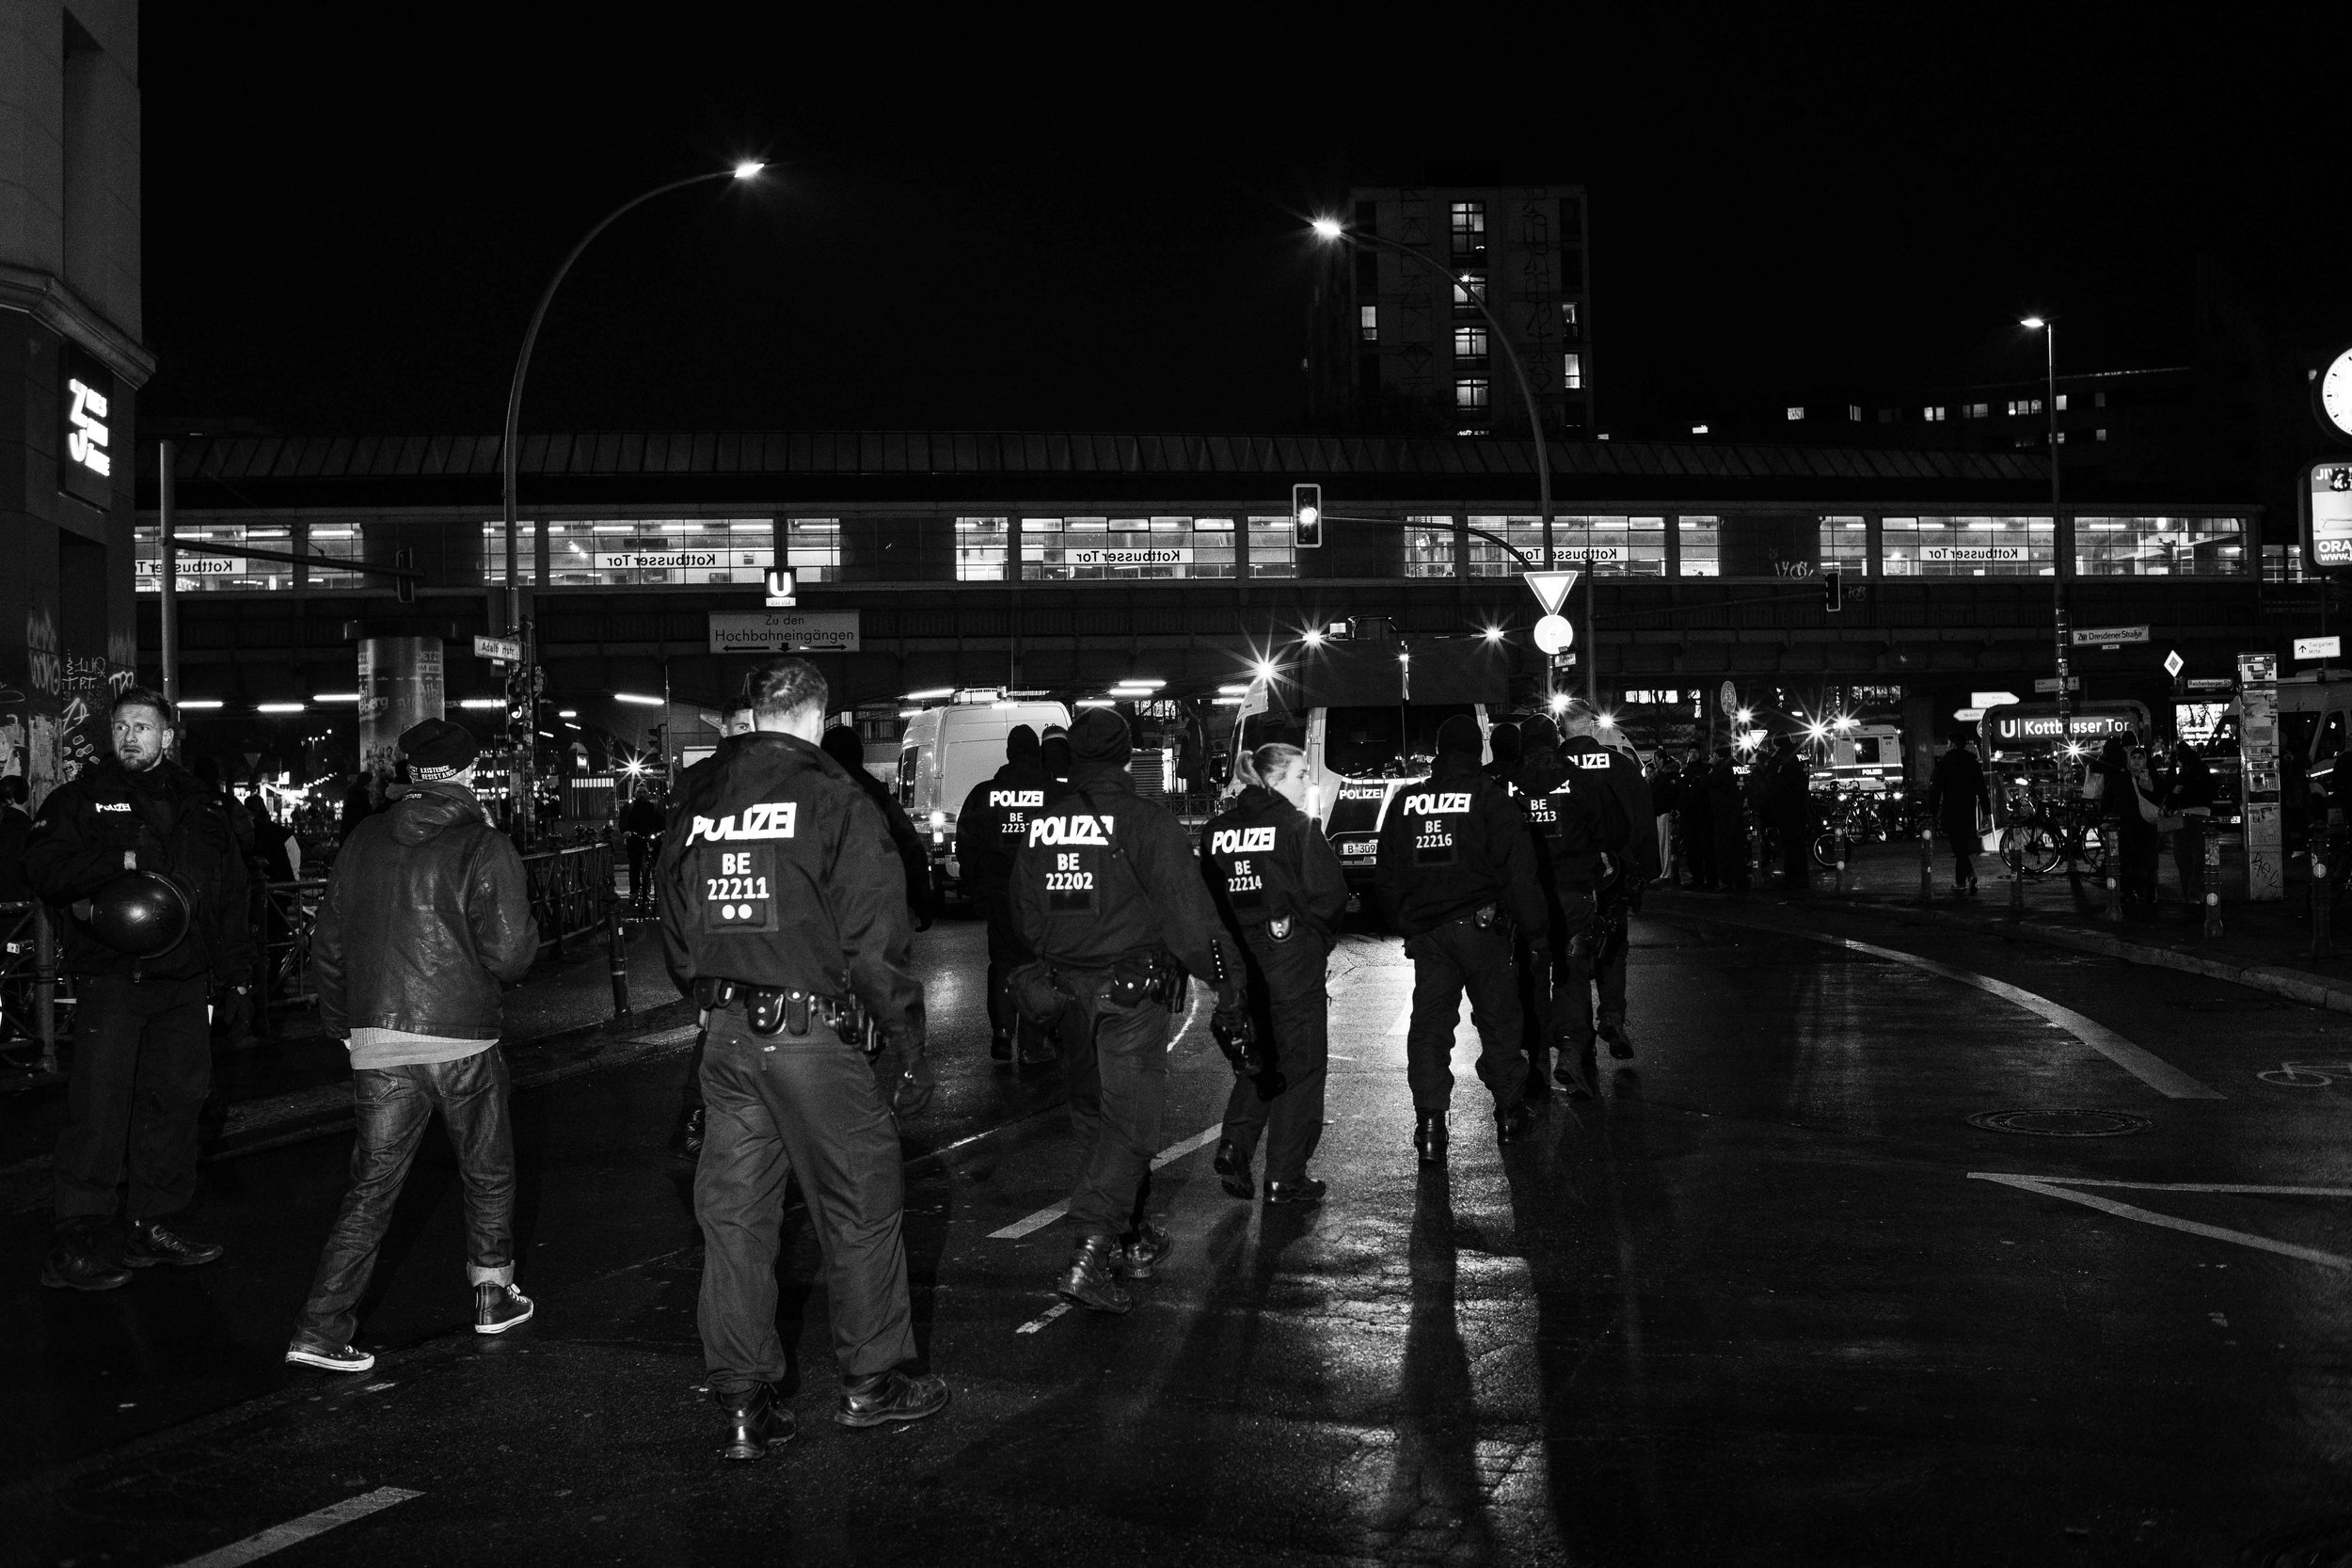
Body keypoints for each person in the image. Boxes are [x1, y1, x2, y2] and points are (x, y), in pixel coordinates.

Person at [657, 657, 946, 1459]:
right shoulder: (833, 797)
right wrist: (907, 1042)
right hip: (811, 1036)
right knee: (860, 1201)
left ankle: (746, 1402)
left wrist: (716, 991)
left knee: (737, 1219)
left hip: (726, 1034)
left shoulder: (700, 796)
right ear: (819, 717)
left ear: (753, 714)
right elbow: (874, 938)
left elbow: (674, 925)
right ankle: (872, 1381)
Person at [287, 719, 541, 1373]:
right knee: (485, 1168)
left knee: (371, 1185)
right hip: (461, 1036)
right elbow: (511, 955)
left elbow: (329, 944)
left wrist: (344, 1024)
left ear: (410, 773)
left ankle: (319, 1327)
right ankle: (491, 1293)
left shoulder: (364, 838)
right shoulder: (483, 843)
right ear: (465, 772)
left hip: (376, 1037)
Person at [1009, 706, 1244, 1314]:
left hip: (1065, 995)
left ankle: (1133, 1237)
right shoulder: (1146, 822)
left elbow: (1023, 912)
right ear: (1124, 754)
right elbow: (1190, 918)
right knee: (1131, 1124)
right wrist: (1229, 983)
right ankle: (1089, 1253)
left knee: (1095, 1118)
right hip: (1130, 995)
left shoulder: (1043, 825)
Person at [24, 688, 255, 1291]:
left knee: (176, 1105)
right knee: (98, 1110)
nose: (130, 737)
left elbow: (232, 896)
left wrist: (235, 978)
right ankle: (73, 1241)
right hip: (113, 980)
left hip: (184, 983)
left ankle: (153, 1226)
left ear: (167, 736)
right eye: (122, 726)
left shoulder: (203, 807)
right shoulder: (80, 800)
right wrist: (121, 862)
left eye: (143, 727)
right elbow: (44, 869)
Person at [1375, 713, 1546, 1165]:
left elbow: (1386, 872)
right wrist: (1536, 933)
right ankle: (1509, 1114)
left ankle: (1430, 1125)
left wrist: (1406, 924)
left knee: (1430, 1028)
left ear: (1438, 752)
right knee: (1498, 1021)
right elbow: (1519, 872)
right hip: (1482, 928)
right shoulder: (1490, 799)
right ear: (1478, 752)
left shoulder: (1407, 801)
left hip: (1430, 935)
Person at [1200, 741, 1348, 1205]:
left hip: (1238, 967)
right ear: (1276, 779)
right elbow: (1329, 895)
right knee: (1300, 1065)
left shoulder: (1216, 831)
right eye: (1302, 774)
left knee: (1258, 1056)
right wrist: (1314, 941)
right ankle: (1285, 1175)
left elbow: (1202, 900)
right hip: (1289, 963)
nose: (1309, 782)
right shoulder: (1293, 826)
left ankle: (1235, 1144)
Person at [1510, 715, 1616, 1099]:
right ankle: (1571, 1047)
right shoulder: (1581, 779)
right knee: (1572, 973)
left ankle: (1534, 1056)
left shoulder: (1506, 783)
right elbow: (1605, 829)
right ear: (1556, 741)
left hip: (1527, 896)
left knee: (1533, 975)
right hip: (1572, 891)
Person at [668, 702, 755, 1161]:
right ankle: (700, 1114)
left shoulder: (771, 773)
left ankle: (710, 1118)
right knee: (721, 1021)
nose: (746, 733)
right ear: (723, 728)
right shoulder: (699, 780)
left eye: (753, 726)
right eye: (740, 725)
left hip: (747, 909)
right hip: (717, 917)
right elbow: (674, 870)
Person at [954, 725, 1055, 1065]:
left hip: (999, 896)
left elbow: (966, 844)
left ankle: (1001, 1034)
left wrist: (975, 888)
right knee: (1038, 967)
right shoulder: (1054, 794)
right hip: (1044, 900)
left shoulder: (983, 795)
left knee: (1002, 965)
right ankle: (1032, 1044)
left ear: (1009, 753)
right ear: (1037, 753)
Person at [1558, 704, 1651, 1065]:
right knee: (1613, 945)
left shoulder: (1552, 770)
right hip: (1615, 875)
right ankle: (1611, 1015)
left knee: (1571, 954)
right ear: (1594, 727)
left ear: (1560, 727)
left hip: (1568, 877)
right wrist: (1644, 872)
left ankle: (1575, 1036)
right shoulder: (1621, 766)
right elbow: (1642, 819)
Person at [821, 725, 936, 931]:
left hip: (821, 913)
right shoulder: (876, 796)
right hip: (871, 907)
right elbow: (909, 846)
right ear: (859, 755)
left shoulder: (808, 792)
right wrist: (922, 902)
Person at [2162, 737, 2217, 921]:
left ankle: (2189, 892)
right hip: (2203, 816)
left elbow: (2171, 795)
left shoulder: (2183, 776)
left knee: (2183, 856)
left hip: (2184, 817)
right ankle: (2196, 891)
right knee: (2200, 856)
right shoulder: (2204, 773)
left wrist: (2176, 791)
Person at [1929, 733, 1990, 895]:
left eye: (1949, 743)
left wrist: (1932, 811)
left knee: (1958, 847)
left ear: (1954, 744)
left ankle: (1966, 879)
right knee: (1962, 845)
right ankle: (1965, 879)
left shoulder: (1945, 763)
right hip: (1968, 809)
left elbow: (1935, 789)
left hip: (1952, 809)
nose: (1948, 746)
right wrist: (1987, 812)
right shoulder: (1972, 763)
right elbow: (1982, 789)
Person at [1765, 737, 1814, 892]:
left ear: (1778, 745)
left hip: (1788, 806)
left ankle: (1793, 879)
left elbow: (1773, 779)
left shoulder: (1783, 757)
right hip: (1801, 804)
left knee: (1790, 845)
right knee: (1798, 844)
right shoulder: (1801, 754)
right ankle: (1801, 878)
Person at [1707, 743, 1750, 893]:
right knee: (1738, 850)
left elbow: (1709, 782)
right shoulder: (1740, 766)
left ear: (1718, 755)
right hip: (1738, 813)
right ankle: (1741, 881)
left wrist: (1711, 766)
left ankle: (1727, 882)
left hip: (1723, 815)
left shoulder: (1721, 769)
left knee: (1724, 850)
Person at [622, 786, 666, 916]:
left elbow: (660, 820)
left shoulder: (652, 807)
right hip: (635, 839)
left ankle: (660, 890)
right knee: (635, 864)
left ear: (648, 794)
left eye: (644, 792)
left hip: (651, 839)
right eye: (639, 792)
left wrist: (663, 830)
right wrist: (626, 831)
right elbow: (624, 821)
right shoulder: (629, 807)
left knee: (657, 864)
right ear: (635, 794)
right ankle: (634, 891)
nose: (642, 794)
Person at [1679, 750, 1716, 891]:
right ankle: (1697, 878)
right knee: (1692, 850)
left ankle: (1710, 880)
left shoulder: (1704, 769)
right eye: (1690, 752)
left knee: (1706, 850)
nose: (1692, 754)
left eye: (1695, 751)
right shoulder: (1686, 771)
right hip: (1689, 818)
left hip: (1703, 817)